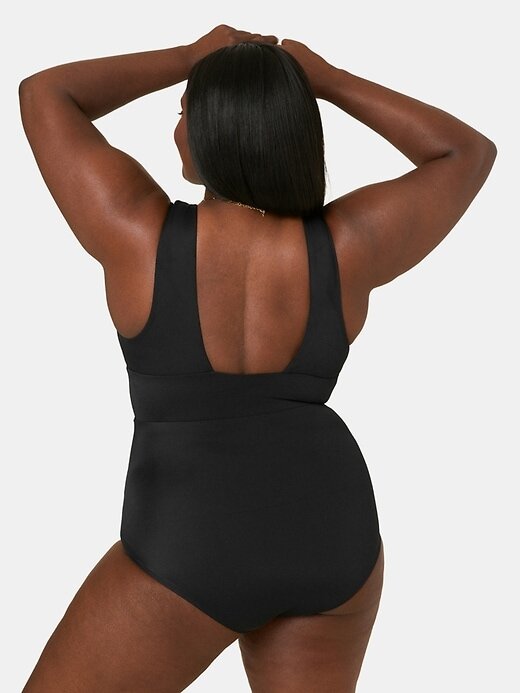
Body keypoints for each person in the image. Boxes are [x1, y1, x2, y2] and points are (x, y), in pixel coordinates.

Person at [19, 23, 496, 693]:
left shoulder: (137, 232)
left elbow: (46, 94)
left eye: (185, 111)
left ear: (215, 128)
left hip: (192, 535)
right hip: (331, 532)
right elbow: (464, 152)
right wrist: (327, 82)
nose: (176, 128)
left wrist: (186, 57)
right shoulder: (346, 246)